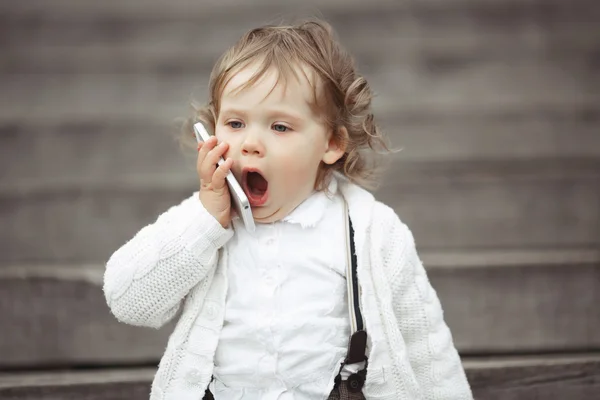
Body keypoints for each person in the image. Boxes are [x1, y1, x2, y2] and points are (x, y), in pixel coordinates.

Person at [103, 19, 473, 400]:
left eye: (279, 127)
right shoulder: (202, 222)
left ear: (331, 142)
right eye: (234, 122)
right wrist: (204, 221)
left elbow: (428, 349)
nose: (250, 143)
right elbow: (128, 299)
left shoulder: (373, 229)